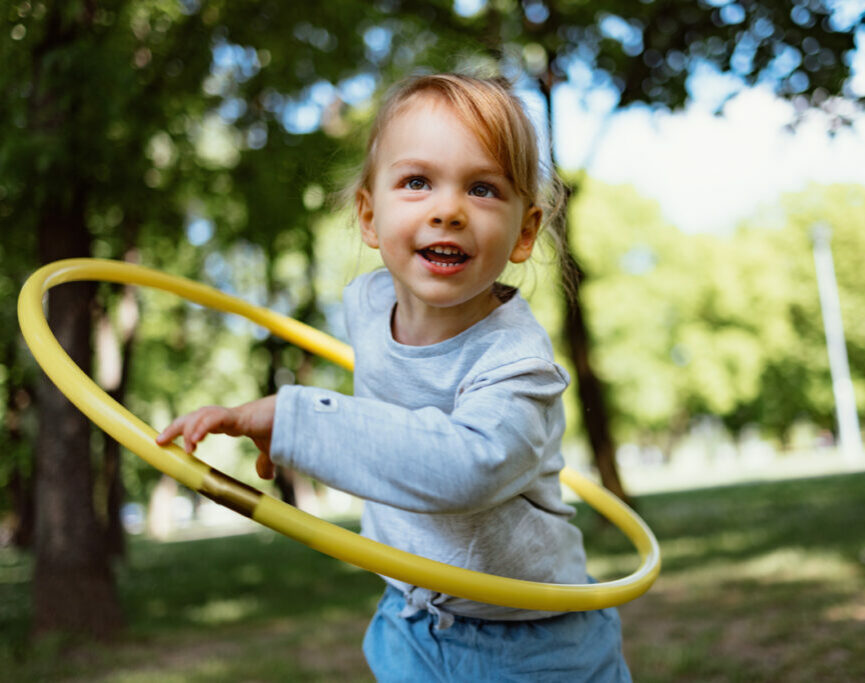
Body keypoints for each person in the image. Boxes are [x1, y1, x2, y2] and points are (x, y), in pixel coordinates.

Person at [155, 73, 631, 682]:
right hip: (411, 619)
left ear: (526, 231)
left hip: (534, 641)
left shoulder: (518, 365)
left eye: (482, 188)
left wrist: (297, 420)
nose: (449, 210)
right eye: (416, 182)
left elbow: (467, 466)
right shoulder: (366, 305)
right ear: (370, 216)